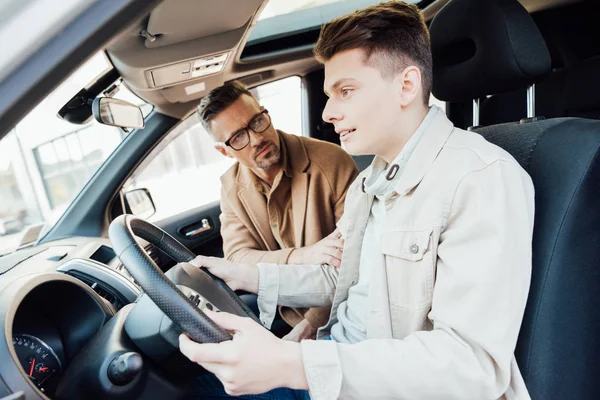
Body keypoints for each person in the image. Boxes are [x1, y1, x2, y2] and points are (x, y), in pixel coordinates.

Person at [181, 2, 535, 399]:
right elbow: (341, 278)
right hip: (333, 358)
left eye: (345, 91)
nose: (329, 113)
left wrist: (297, 366)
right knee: (190, 384)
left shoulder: (480, 179)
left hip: (366, 383)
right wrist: (245, 276)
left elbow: (472, 365)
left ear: (406, 85)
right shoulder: (370, 182)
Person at [197, 81, 359, 341]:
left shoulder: (332, 163)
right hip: (280, 309)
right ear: (223, 151)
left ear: (266, 113)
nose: (257, 138)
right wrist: (304, 256)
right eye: (238, 137)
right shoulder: (230, 187)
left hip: (339, 313)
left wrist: (306, 329)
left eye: (258, 121)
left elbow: (353, 266)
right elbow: (238, 258)